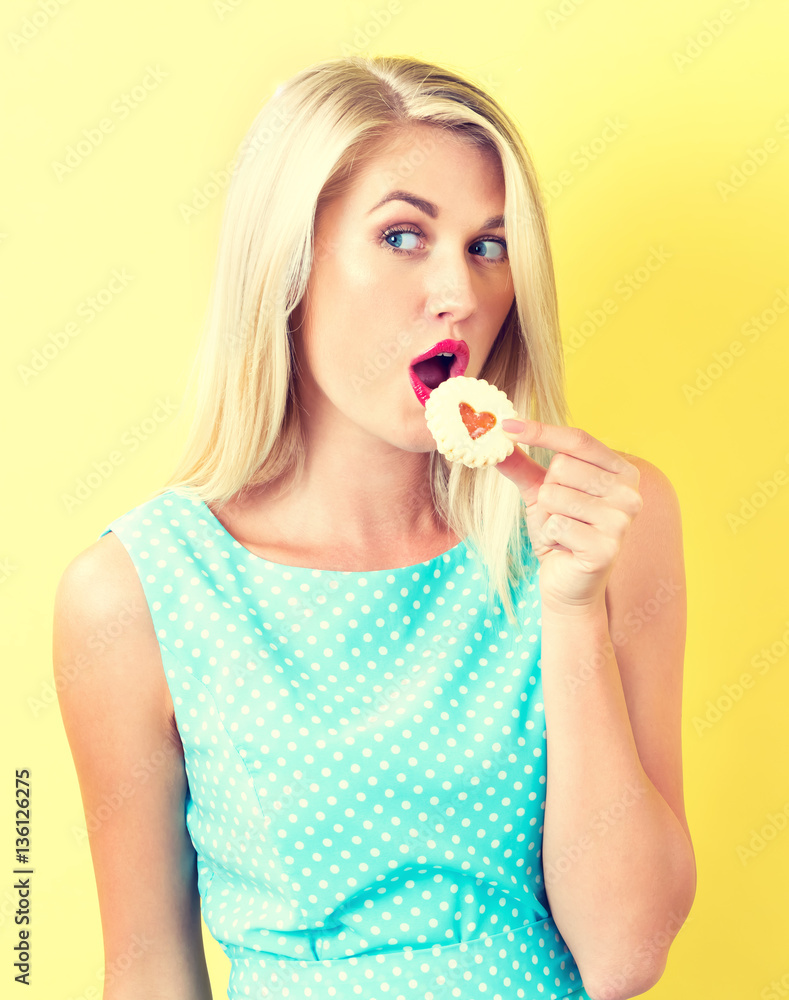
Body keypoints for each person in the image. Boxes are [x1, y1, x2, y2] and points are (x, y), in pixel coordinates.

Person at [54, 54, 696, 1000]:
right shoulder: (134, 591)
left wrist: (568, 612)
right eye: (403, 236)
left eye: (488, 245)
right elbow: (147, 967)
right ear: (289, 266)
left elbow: (625, 958)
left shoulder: (602, 527)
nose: (462, 295)